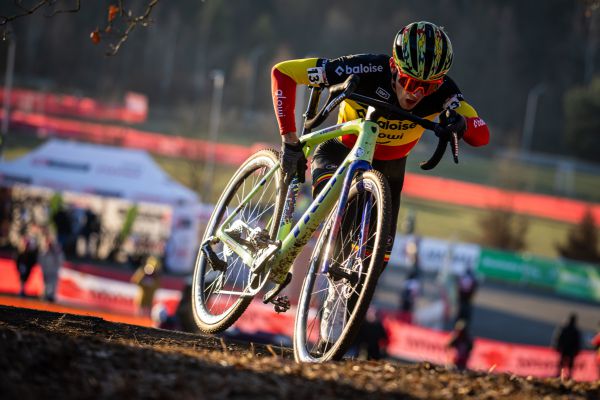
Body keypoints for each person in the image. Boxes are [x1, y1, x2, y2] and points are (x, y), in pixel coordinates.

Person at [271, 21, 490, 342]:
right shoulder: (365, 67)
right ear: (394, 67)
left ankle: (338, 306)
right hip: (340, 152)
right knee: (342, 211)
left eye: (427, 86)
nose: (416, 92)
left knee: (378, 260)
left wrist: (461, 124)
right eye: (409, 81)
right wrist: (289, 139)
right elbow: (283, 73)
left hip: (389, 170)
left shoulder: (446, 92)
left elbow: (482, 134)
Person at [38, 227, 64, 302]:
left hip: (53, 270)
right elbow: (40, 259)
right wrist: (43, 268)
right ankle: (45, 295)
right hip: (46, 270)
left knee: (53, 284)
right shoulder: (44, 250)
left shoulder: (56, 250)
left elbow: (60, 259)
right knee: (45, 284)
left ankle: (51, 296)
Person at [552, 313, 582, 379]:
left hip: (565, 349)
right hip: (570, 350)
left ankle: (560, 375)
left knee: (563, 363)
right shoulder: (575, 330)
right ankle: (567, 375)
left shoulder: (565, 329)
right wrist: (577, 350)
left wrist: (557, 346)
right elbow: (578, 342)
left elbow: (559, 338)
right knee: (568, 364)